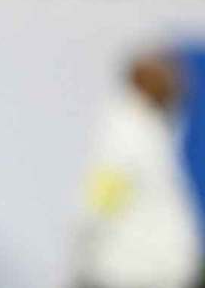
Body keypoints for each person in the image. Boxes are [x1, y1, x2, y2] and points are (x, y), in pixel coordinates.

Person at [74, 52, 203, 288]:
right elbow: (103, 198)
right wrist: (84, 251)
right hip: (132, 271)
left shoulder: (151, 131)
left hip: (153, 270)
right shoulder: (126, 135)